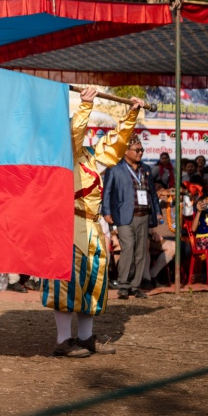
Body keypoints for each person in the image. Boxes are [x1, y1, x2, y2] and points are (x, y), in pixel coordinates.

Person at [43, 88, 144, 358]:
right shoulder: (63, 154)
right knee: (66, 282)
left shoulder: (91, 156)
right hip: (67, 225)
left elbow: (116, 145)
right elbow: (72, 136)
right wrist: (86, 105)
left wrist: (132, 113)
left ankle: (86, 338)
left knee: (92, 282)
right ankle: (63, 341)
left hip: (92, 227)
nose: (82, 131)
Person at [102, 135, 161, 299]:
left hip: (144, 216)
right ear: (126, 151)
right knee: (128, 248)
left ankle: (135, 286)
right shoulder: (114, 169)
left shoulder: (146, 169)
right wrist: (106, 212)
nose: (140, 153)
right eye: (137, 150)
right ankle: (123, 285)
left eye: (142, 150)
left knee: (141, 251)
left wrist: (157, 211)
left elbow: (153, 194)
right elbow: (106, 192)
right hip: (123, 216)